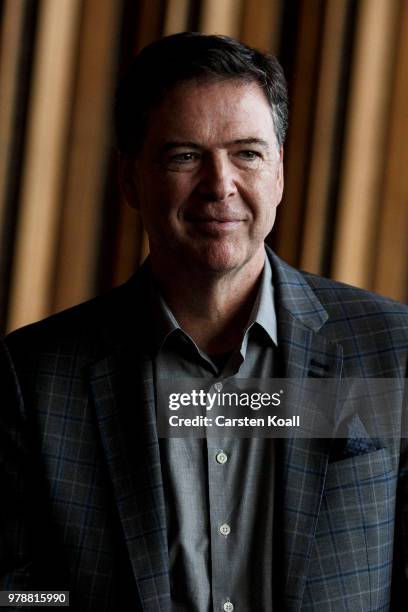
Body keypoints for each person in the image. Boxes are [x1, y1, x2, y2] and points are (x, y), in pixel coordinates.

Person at [1, 32, 408, 612]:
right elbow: (18, 594)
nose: (221, 185)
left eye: (247, 153)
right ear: (129, 178)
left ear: (280, 172)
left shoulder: (390, 349)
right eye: (185, 156)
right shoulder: (34, 376)